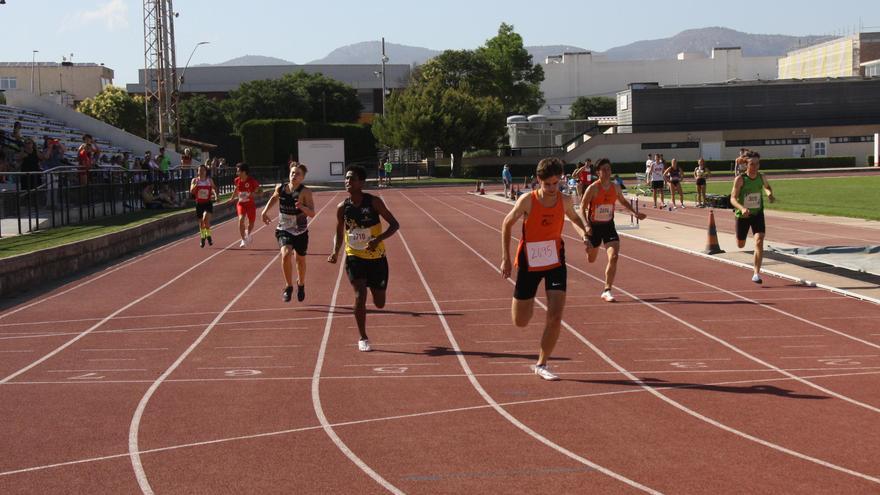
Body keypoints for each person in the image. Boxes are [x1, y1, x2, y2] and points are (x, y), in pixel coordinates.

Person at [501, 157, 591, 381]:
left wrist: (585, 232)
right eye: (547, 184)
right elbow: (506, 223)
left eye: (556, 183)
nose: (552, 188)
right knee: (520, 321)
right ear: (538, 181)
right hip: (529, 262)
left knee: (556, 315)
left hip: (555, 261)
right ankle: (528, 302)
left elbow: (573, 218)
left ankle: (542, 363)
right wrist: (505, 258)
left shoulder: (565, 200)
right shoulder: (527, 201)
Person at [328, 165, 400, 352]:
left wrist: (378, 239)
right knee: (360, 295)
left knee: (379, 303)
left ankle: (378, 289)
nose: (347, 182)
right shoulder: (342, 208)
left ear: (361, 182)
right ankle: (363, 337)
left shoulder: (374, 202)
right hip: (354, 256)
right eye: (346, 178)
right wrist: (335, 251)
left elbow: (394, 224)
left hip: (377, 257)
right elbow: (338, 232)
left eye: (351, 179)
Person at [580, 158, 648, 303]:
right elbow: (582, 207)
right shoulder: (593, 188)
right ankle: (590, 247)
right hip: (594, 227)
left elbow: (622, 201)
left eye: (608, 169)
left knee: (614, 257)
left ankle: (607, 290)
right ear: (598, 172)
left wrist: (635, 213)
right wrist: (586, 225)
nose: (607, 172)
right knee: (591, 259)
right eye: (603, 169)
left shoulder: (615, 187)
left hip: (609, 226)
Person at [262, 162, 316, 302]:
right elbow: (274, 198)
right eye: (292, 172)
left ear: (302, 177)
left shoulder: (305, 192)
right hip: (284, 229)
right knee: (285, 254)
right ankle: (288, 286)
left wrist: (302, 207)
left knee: (300, 260)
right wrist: (264, 211)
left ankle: (301, 284)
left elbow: (312, 213)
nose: (294, 175)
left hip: (300, 230)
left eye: (298, 174)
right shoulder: (281, 188)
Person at [729, 151, 775, 284]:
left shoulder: (762, 177)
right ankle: (739, 235)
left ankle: (756, 273)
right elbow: (732, 198)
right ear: (746, 164)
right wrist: (742, 208)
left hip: (757, 214)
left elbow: (767, 187)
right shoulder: (740, 179)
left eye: (757, 164)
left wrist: (769, 194)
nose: (755, 166)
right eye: (752, 164)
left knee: (759, 240)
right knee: (740, 244)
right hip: (743, 215)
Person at [228, 162, 261, 248]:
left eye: (238, 171)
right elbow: (236, 189)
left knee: (251, 223)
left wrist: (253, 193)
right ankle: (243, 239)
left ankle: (248, 233)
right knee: (241, 219)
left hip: (250, 204)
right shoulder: (237, 180)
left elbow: (259, 190)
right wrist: (232, 198)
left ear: (244, 172)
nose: (237, 173)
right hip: (241, 204)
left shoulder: (251, 181)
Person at [190, 163, 218, 248]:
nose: (202, 172)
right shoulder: (194, 180)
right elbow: (192, 191)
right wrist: (196, 185)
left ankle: (208, 236)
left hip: (208, 203)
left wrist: (216, 196)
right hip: (199, 203)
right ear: (197, 172)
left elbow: (214, 188)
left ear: (206, 171)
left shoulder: (209, 180)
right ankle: (203, 237)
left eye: (203, 170)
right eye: (200, 170)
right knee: (201, 222)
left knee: (206, 219)